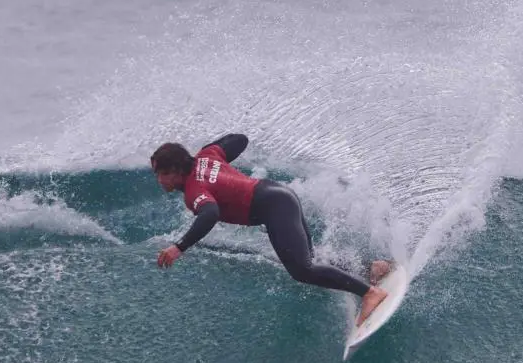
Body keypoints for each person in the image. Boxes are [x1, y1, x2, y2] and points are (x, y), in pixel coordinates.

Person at [151, 133, 394, 326]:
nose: (159, 180)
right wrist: (206, 153)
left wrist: (179, 247)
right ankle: (371, 268)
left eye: (161, 174)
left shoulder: (195, 189)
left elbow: (210, 213)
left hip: (273, 207)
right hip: (280, 194)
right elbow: (239, 139)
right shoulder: (207, 156)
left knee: (302, 270)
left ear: (175, 171)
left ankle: (369, 293)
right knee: (311, 259)